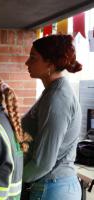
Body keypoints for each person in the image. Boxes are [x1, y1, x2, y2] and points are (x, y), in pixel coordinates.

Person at [22, 34, 82, 200]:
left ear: (50, 63)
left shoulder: (57, 98)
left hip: (52, 189)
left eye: (33, 58)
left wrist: (12, 178)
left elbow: (43, 162)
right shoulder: (52, 92)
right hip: (52, 186)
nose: (27, 62)